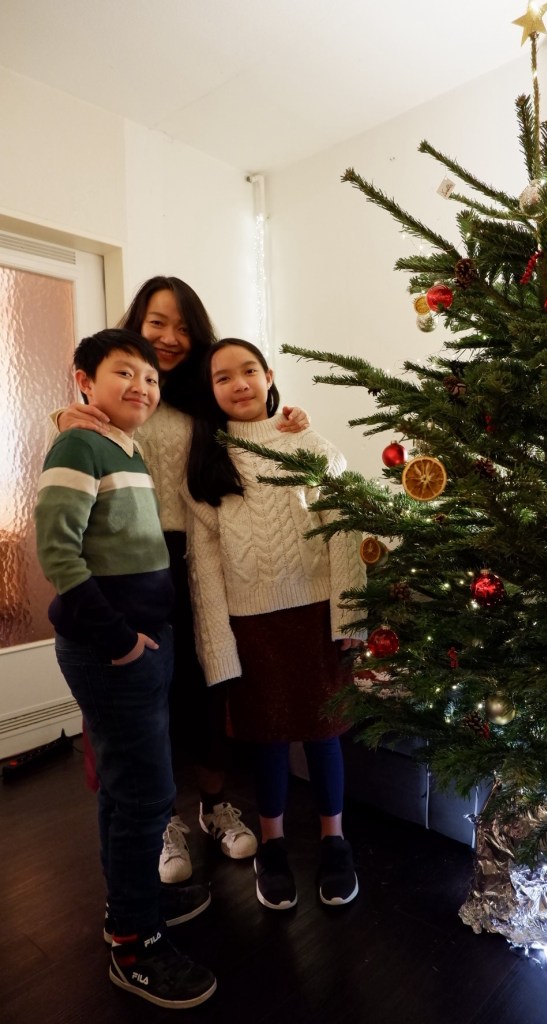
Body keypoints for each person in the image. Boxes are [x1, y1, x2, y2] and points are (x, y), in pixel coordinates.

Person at [55, 276, 310, 884]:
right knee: (147, 697)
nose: (170, 337)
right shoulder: (120, 395)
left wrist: (290, 417)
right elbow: (76, 448)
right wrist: (61, 414)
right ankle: (164, 820)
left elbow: (253, 427)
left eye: (183, 326)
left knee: (207, 685)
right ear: (136, 325)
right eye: (157, 323)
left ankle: (214, 805)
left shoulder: (205, 395)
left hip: (205, 555)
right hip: (133, 562)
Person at [35, 329, 216, 1008]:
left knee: (126, 789)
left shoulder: (124, 446)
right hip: (111, 650)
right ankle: (135, 945)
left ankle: (132, 906)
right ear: (84, 380)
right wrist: (117, 640)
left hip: (140, 645)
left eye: (151, 377)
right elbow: (58, 552)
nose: (142, 386)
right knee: (145, 795)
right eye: (124, 373)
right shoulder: (79, 444)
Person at [183, 338, 366, 911]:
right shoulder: (207, 466)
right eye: (223, 377)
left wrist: (351, 616)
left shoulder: (301, 441)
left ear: (268, 376)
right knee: (266, 740)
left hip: (314, 615)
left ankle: (334, 843)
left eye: (248, 371)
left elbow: (343, 520)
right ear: (210, 391)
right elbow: (205, 570)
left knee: (324, 734)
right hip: (250, 626)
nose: (238, 383)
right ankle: (273, 846)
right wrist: (219, 648)